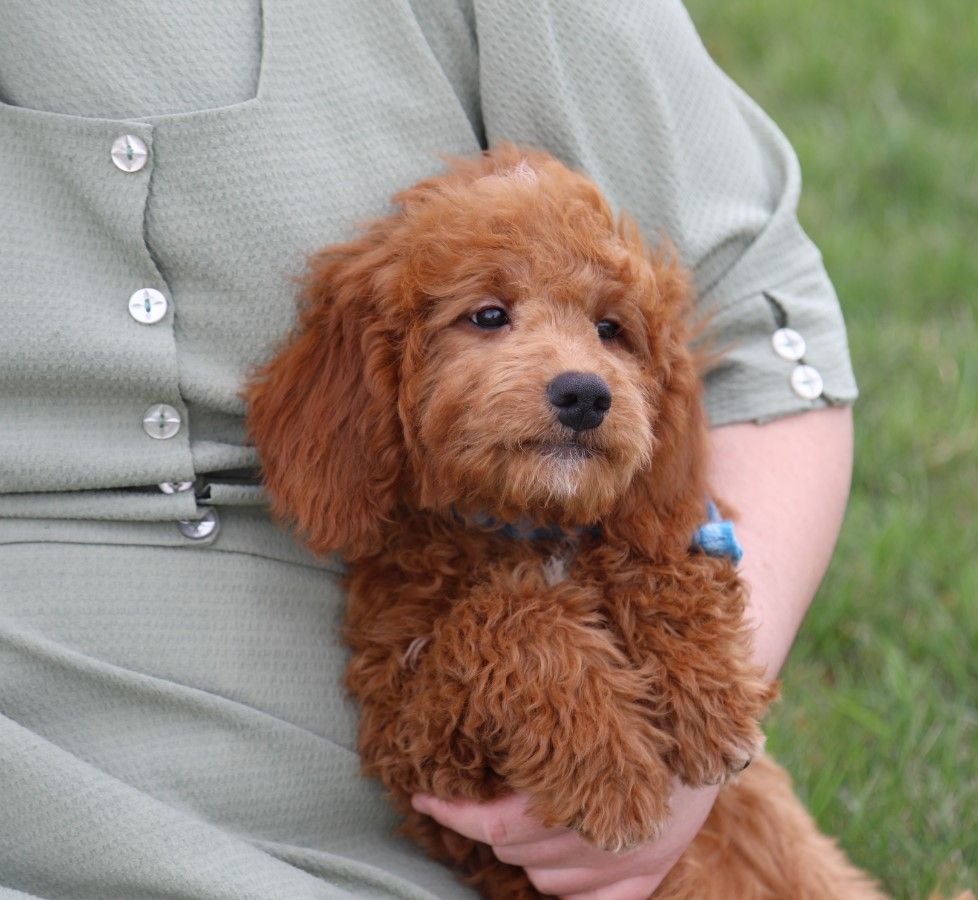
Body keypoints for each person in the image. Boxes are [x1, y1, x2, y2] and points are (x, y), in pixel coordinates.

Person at [0, 2, 856, 898]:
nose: (580, 376)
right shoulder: (398, 533)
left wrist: (696, 679)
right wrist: (522, 647)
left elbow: (756, 336)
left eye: (610, 331)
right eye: (488, 317)